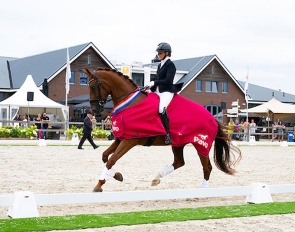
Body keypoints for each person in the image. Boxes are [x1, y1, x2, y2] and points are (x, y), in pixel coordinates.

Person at [145, 42, 183, 144]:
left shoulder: (171, 65)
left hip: (167, 91)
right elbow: (158, 79)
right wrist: (150, 87)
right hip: (158, 90)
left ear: (167, 53)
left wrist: (155, 82)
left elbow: (168, 81)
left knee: (161, 108)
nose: (158, 55)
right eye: (158, 53)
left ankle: (167, 135)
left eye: (160, 53)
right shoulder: (159, 65)